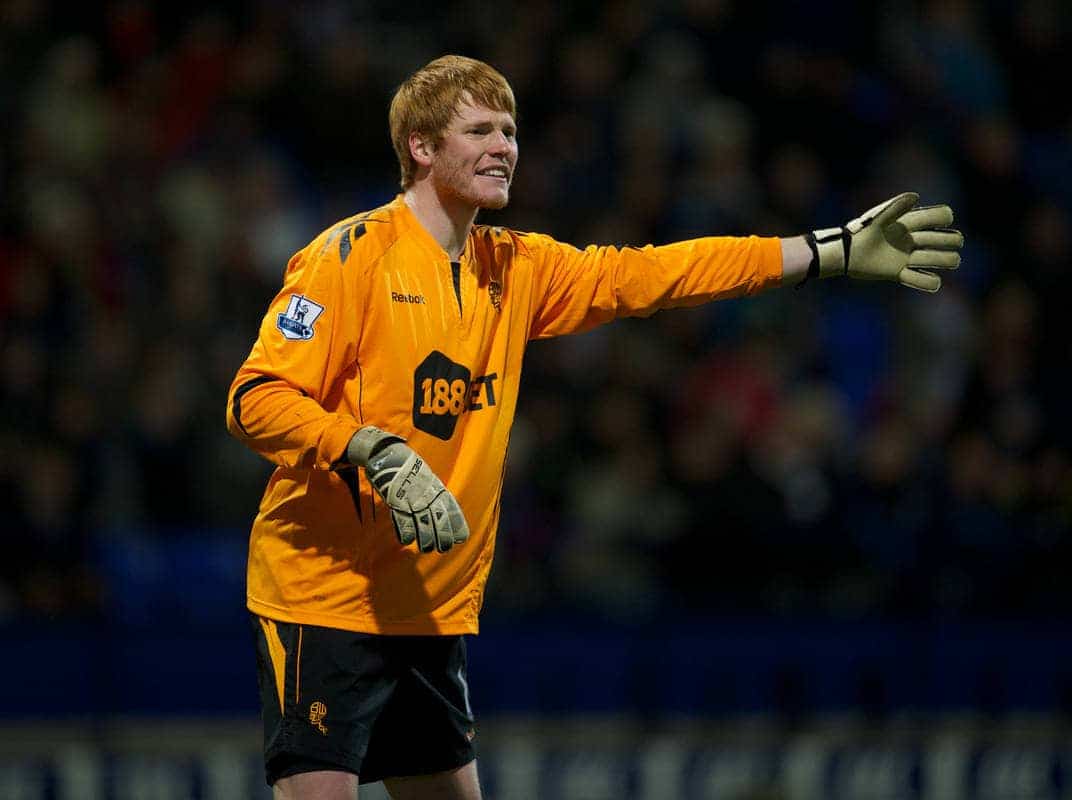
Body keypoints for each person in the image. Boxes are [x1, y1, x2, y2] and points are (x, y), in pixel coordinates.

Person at [225, 54, 963, 800]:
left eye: (509, 131)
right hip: (323, 597)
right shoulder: (347, 258)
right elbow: (254, 397)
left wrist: (825, 252)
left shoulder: (514, 268)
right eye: (479, 129)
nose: (504, 146)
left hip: (428, 608)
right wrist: (371, 449)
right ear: (420, 147)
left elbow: (657, 274)